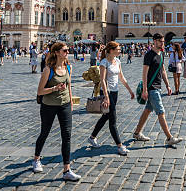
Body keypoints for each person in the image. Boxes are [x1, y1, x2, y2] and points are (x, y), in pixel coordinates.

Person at [32, 42, 81, 182]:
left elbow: (69, 85)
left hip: (64, 104)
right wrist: (54, 88)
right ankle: (36, 159)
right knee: (45, 132)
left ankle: (67, 169)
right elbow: (40, 91)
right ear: (57, 52)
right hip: (49, 105)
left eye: (67, 50)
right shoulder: (48, 69)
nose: (67, 52)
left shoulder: (68, 67)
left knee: (67, 135)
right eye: (65, 50)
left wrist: (70, 101)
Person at [132, 33, 183, 146]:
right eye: (160, 41)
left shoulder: (161, 53)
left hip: (158, 87)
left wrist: (168, 85)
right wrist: (145, 90)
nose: (162, 43)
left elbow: (163, 70)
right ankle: (169, 138)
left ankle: (137, 133)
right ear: (154, 41)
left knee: (147, 111)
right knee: (161, 111)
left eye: (163, 42)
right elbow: (144, 73)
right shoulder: (149, 55)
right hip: (152, 88)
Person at [88, 41, 135, 156]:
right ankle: (119, 146)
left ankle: (92, 137)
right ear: (111, 50)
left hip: (115, 92)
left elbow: (122, 77)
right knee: (112, 119)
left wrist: (130, 90)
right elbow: (103, 80)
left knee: (105, 117)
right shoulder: (104, 63)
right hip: (107, 92)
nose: (120, 51)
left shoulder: (118, 61)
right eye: (118, 49)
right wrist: (106, 97)